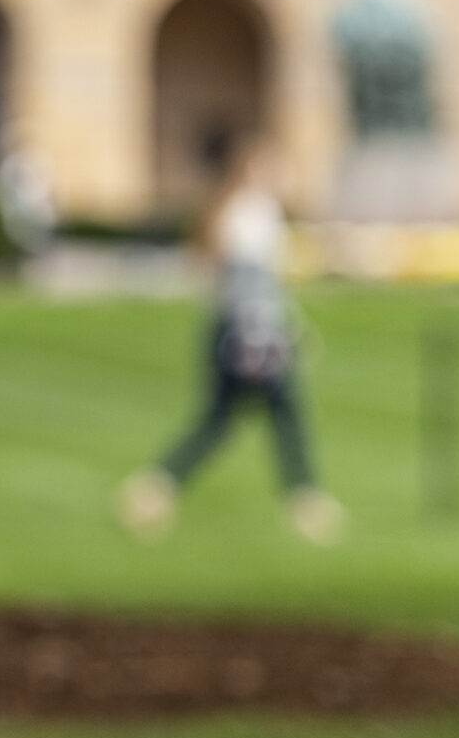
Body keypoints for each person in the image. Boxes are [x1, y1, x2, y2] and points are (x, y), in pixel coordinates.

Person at [117, 136, 342, 543]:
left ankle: (157, 487)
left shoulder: (245, 211)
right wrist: (266, 337)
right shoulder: (251, 214)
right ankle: (305, 502)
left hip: (238, 330)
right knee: (280, 413)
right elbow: (249, 286)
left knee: (228, 420)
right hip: (247, 335)